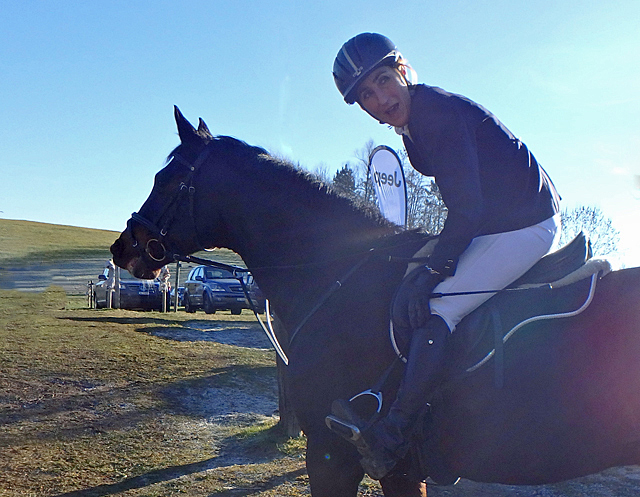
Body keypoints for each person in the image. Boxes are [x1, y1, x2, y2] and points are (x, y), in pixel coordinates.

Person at [330, 33, 561, 479]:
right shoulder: (413, 124)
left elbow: (467, 206)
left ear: (401, 69)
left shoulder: (434, 113)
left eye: (382, 81)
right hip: (497, 221)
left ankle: (394, 435)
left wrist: (435, 269)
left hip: (524, 225)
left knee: (438, 306)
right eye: (366, 95)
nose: (380, 98)